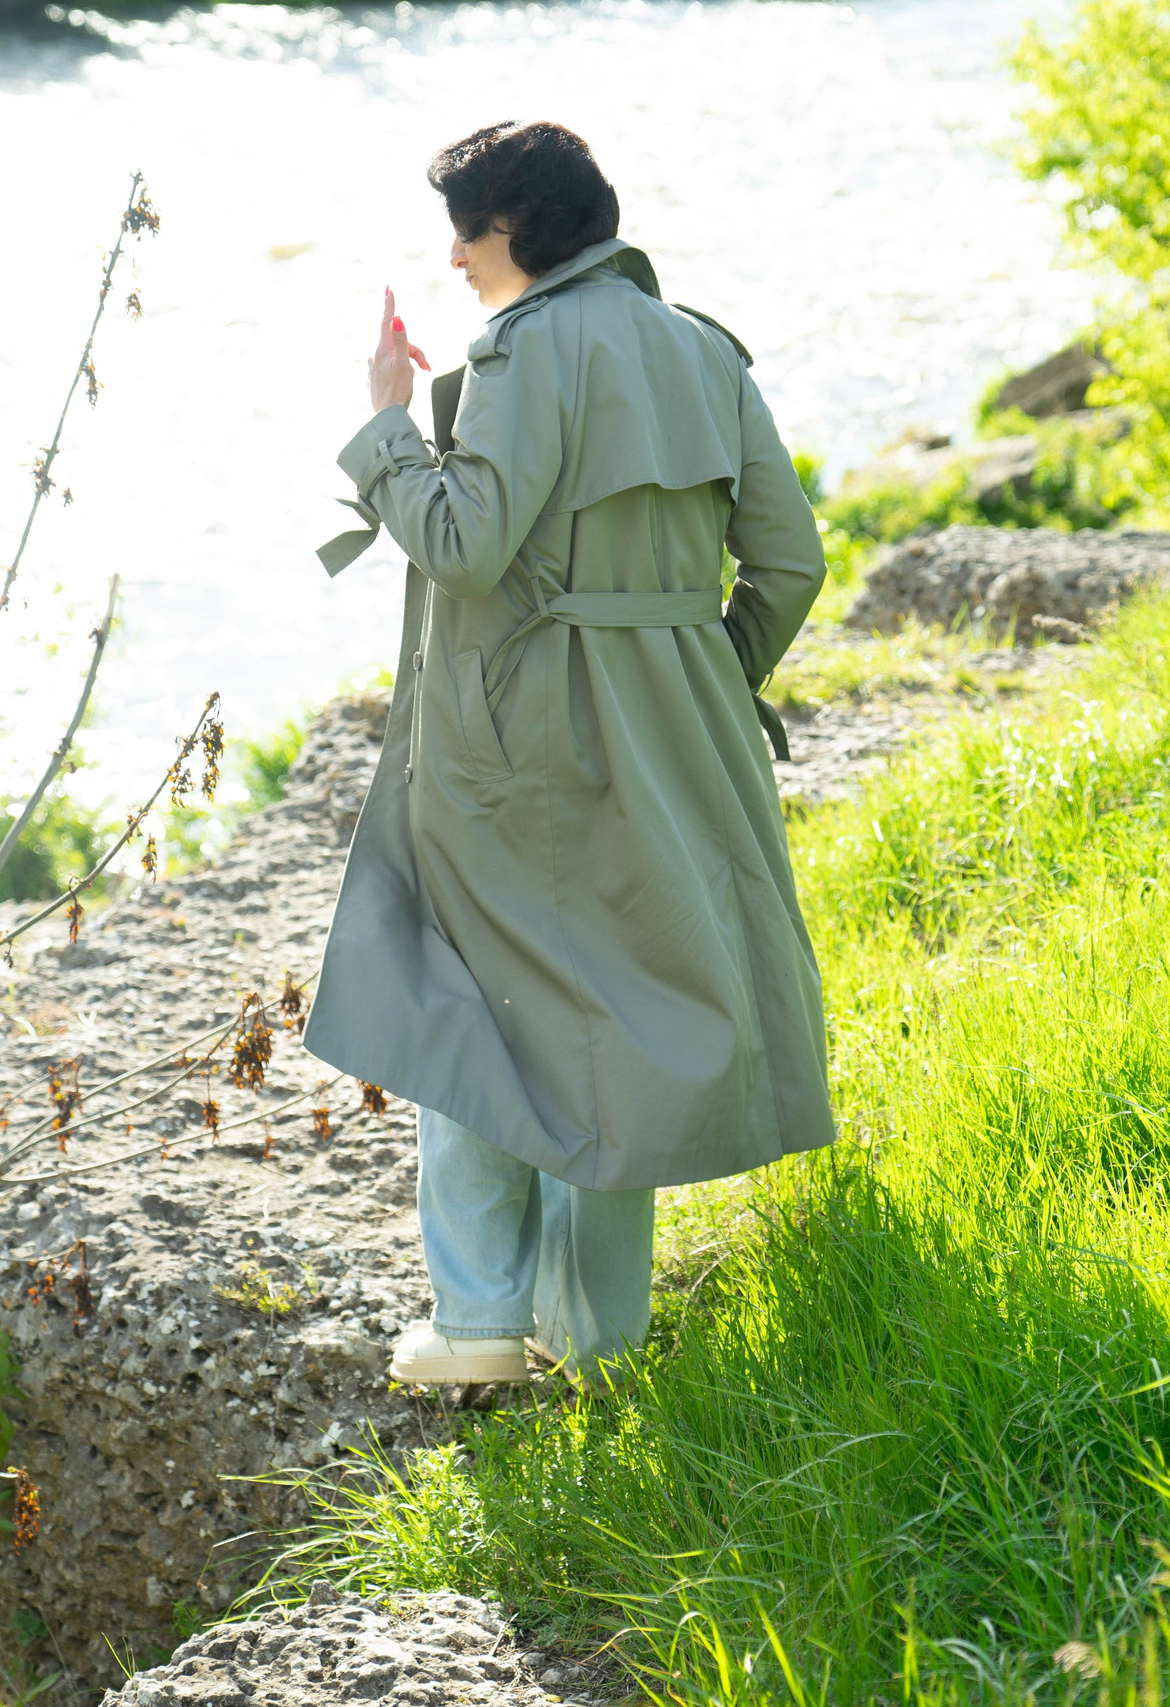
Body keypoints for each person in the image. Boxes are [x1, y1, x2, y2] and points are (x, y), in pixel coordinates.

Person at [300, 120, 835, 1395]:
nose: (452, 258)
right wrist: (702, 677)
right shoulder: (703, 346)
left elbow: (466, 543)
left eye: (467, 231)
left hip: (520, 738)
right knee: (625, 1015)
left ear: (521, 229)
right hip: (679, 724)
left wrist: (386, 423)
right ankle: (599, 1340)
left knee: (468, 997)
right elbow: (791, 561)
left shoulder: (523, 348)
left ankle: (481, 1318)